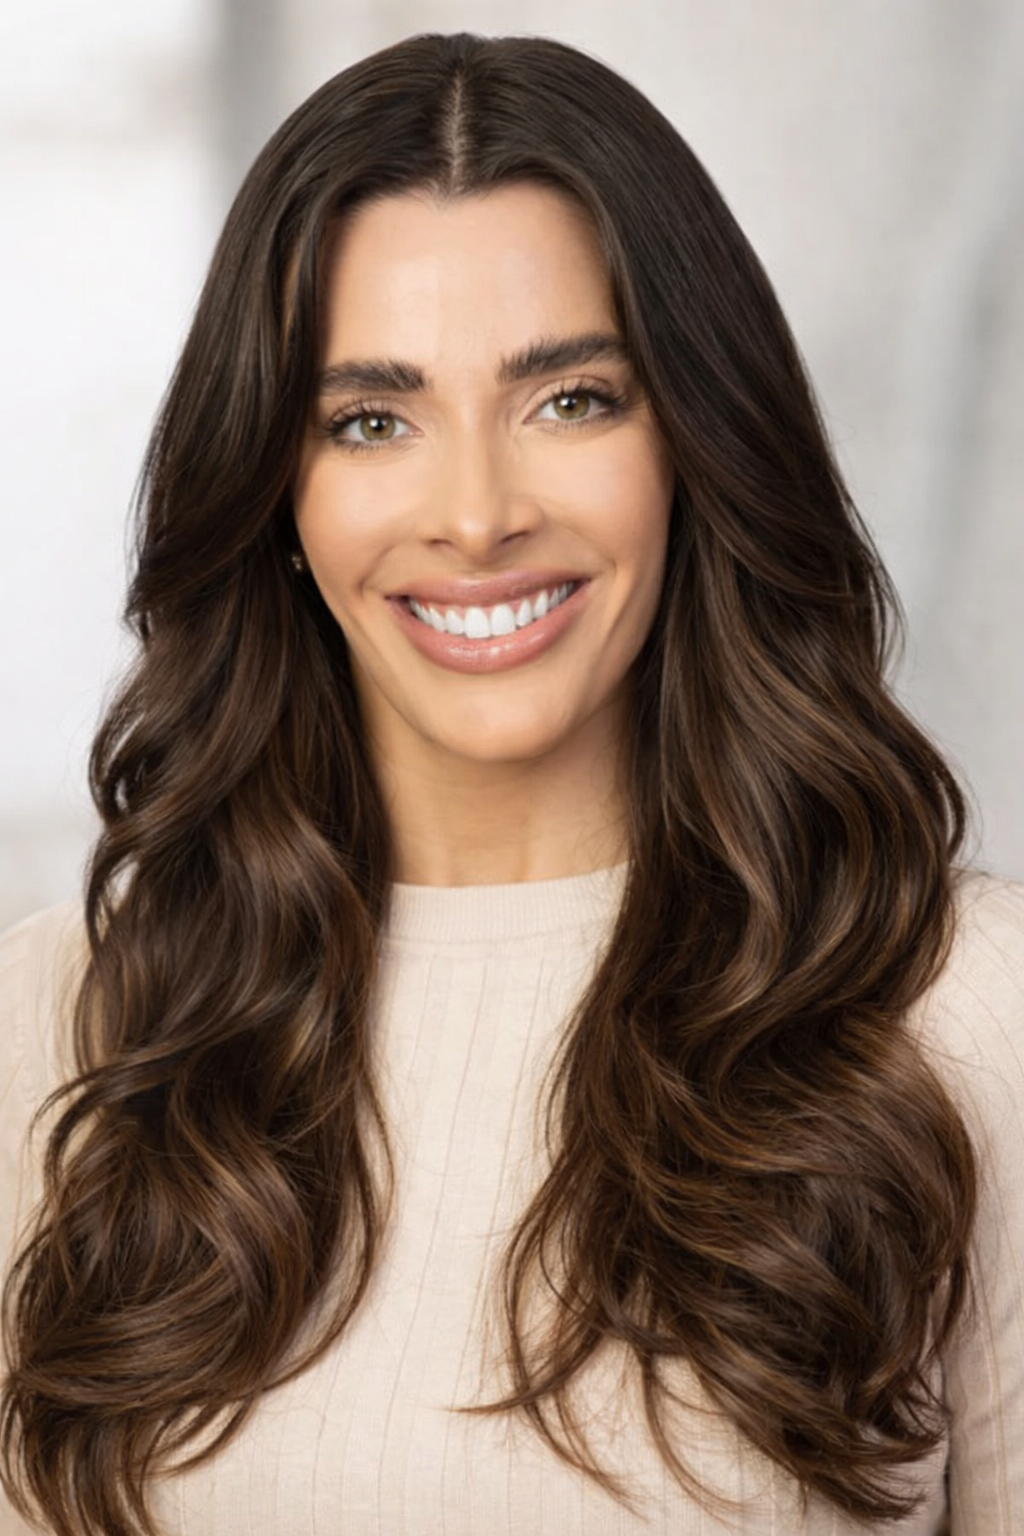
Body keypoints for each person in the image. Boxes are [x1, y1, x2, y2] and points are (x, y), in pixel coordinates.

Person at [1, 29, 1022, 1536]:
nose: (475, 514)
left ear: (695, 443)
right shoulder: (74, 1019)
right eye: (372, 421)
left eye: (571, 400)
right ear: (278, 493)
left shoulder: (951, 1008)